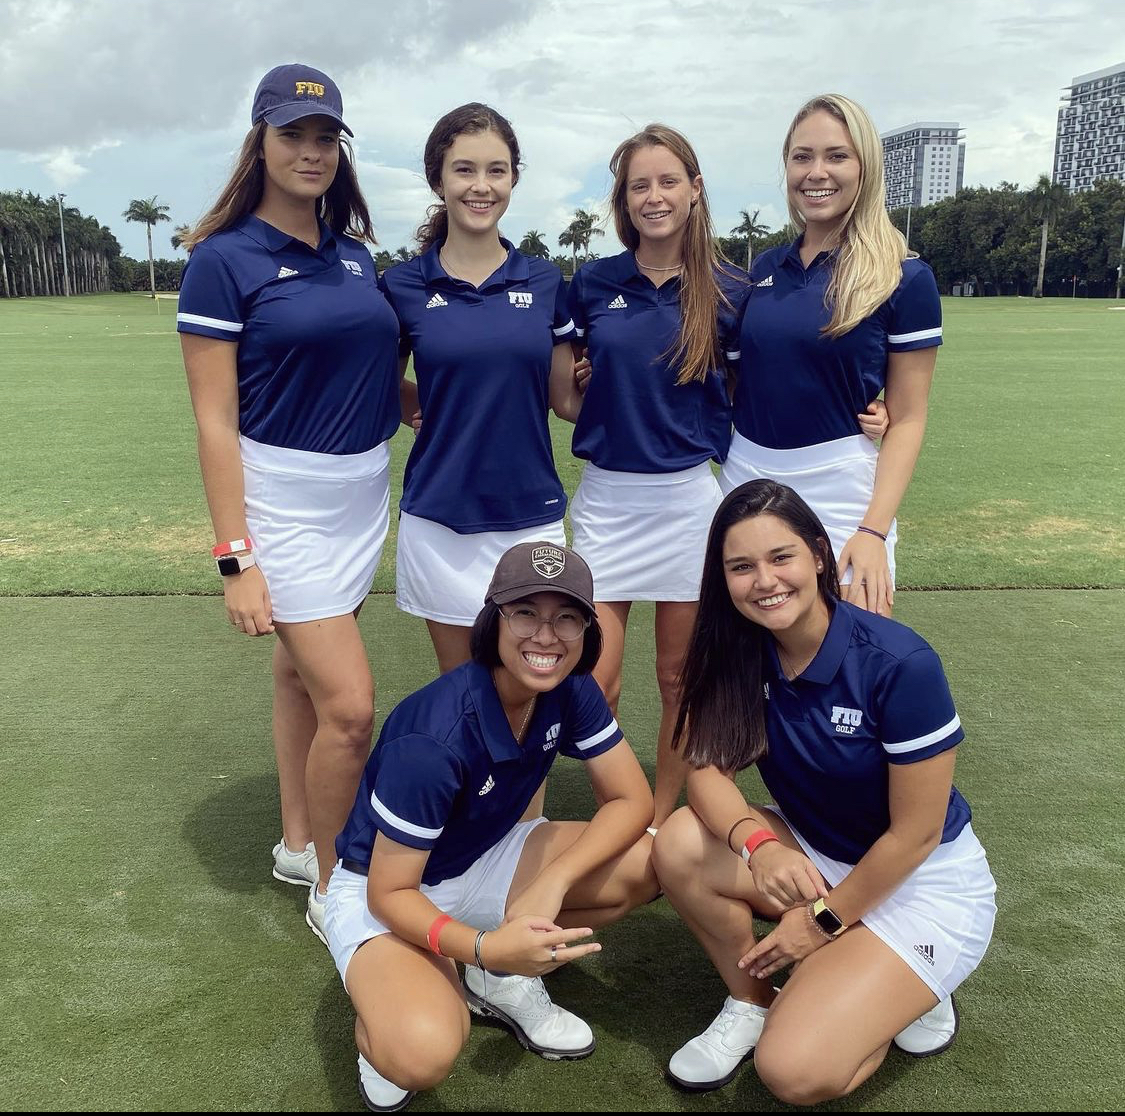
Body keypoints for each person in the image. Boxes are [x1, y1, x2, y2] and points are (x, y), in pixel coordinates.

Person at [555, 124, 885, 826]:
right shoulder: (591, 283)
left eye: (668, 181)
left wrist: (870, 406)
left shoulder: (732, 288)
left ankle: (657, 818)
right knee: (594, 681)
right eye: (639, 185)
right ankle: (617, 811)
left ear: (695, 189)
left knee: (680, 677)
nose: (654, 197)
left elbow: (766, 380)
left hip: (689, 503)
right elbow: (566, 394)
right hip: (607, 502)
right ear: (623, 199)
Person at [651, 480, 995, 1102]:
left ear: (817, 554)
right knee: (678, 843)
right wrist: (758, 844)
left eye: (780, 557)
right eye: (741, 567)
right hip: (820, 853)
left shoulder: (899, 663)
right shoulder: (738, 648)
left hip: (921, 882)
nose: (765, 581)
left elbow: (915, 836)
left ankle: (904, 988)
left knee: (794, 1072)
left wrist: (822, 923)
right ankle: (752, 1001)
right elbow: (704, 770)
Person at [177, 64, 401, 942]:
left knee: (297, 676)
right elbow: (214, 422)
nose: (310, 151)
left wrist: (425, 396)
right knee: (349, 708)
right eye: (292, 135)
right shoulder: (222, 260)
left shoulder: (354, 255)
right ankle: (337, 886)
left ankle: (299, 845)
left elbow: (360, 366)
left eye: (324, 138)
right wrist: (235, 558)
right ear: (260, 142)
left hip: (361, 495)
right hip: (283, 503)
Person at [324, 542, 657, 1111]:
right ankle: (405, 1006)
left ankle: (494, 981)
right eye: (525, 613)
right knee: (420, 1054)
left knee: (651, 859)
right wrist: (485, 947)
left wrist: (550, 884)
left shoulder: (572, 687)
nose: (546, 637)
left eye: (567, 618)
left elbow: (632, 801)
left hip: (486, 855)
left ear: (587, 631)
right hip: (386, 889)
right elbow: (389, 892)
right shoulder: (433, 739)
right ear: (492, 620)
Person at [721, 94, 943, 618]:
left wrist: (873, 530)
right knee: (746, 652)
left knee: (854, 647)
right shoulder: (762, 270)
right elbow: (738, 379)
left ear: (865, 166)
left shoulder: (904, 277)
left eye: (837, 156)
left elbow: (909, 418)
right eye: (802, 157)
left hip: (843, 489)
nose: (816, 172)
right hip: (745, 475)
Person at [378, 104, 577, 676]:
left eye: (497, 170)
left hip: (530, 513)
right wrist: (430, 409)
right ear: (437, 179)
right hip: (441, 517)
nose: (481, 186)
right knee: (465, 686)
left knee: (534, 681)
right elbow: (378, 387)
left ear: (514, 177)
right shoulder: (401, 285)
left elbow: (566, 399)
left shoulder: (544, 281)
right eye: (464, 169)